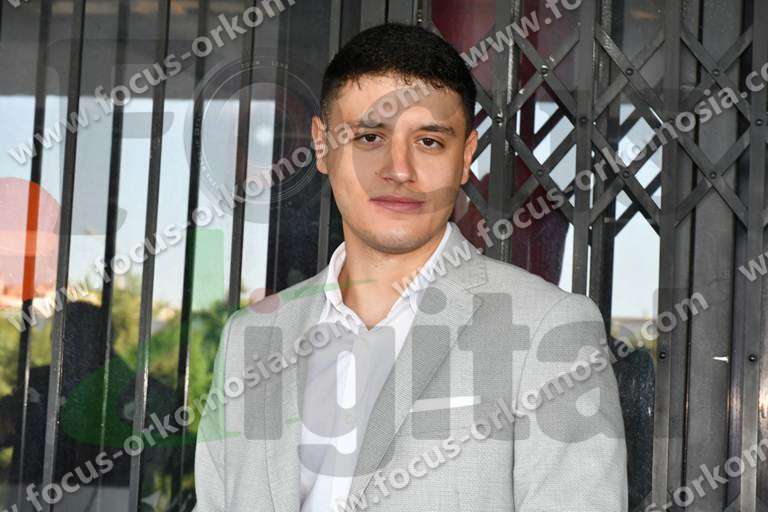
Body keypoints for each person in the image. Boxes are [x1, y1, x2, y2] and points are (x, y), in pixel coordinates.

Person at [193, 23, 627, 512]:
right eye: (369, 137)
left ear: (466, 156)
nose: (398, 170)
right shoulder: (250, 338)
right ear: (321, 145)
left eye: (429, 142)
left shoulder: (550, 329)